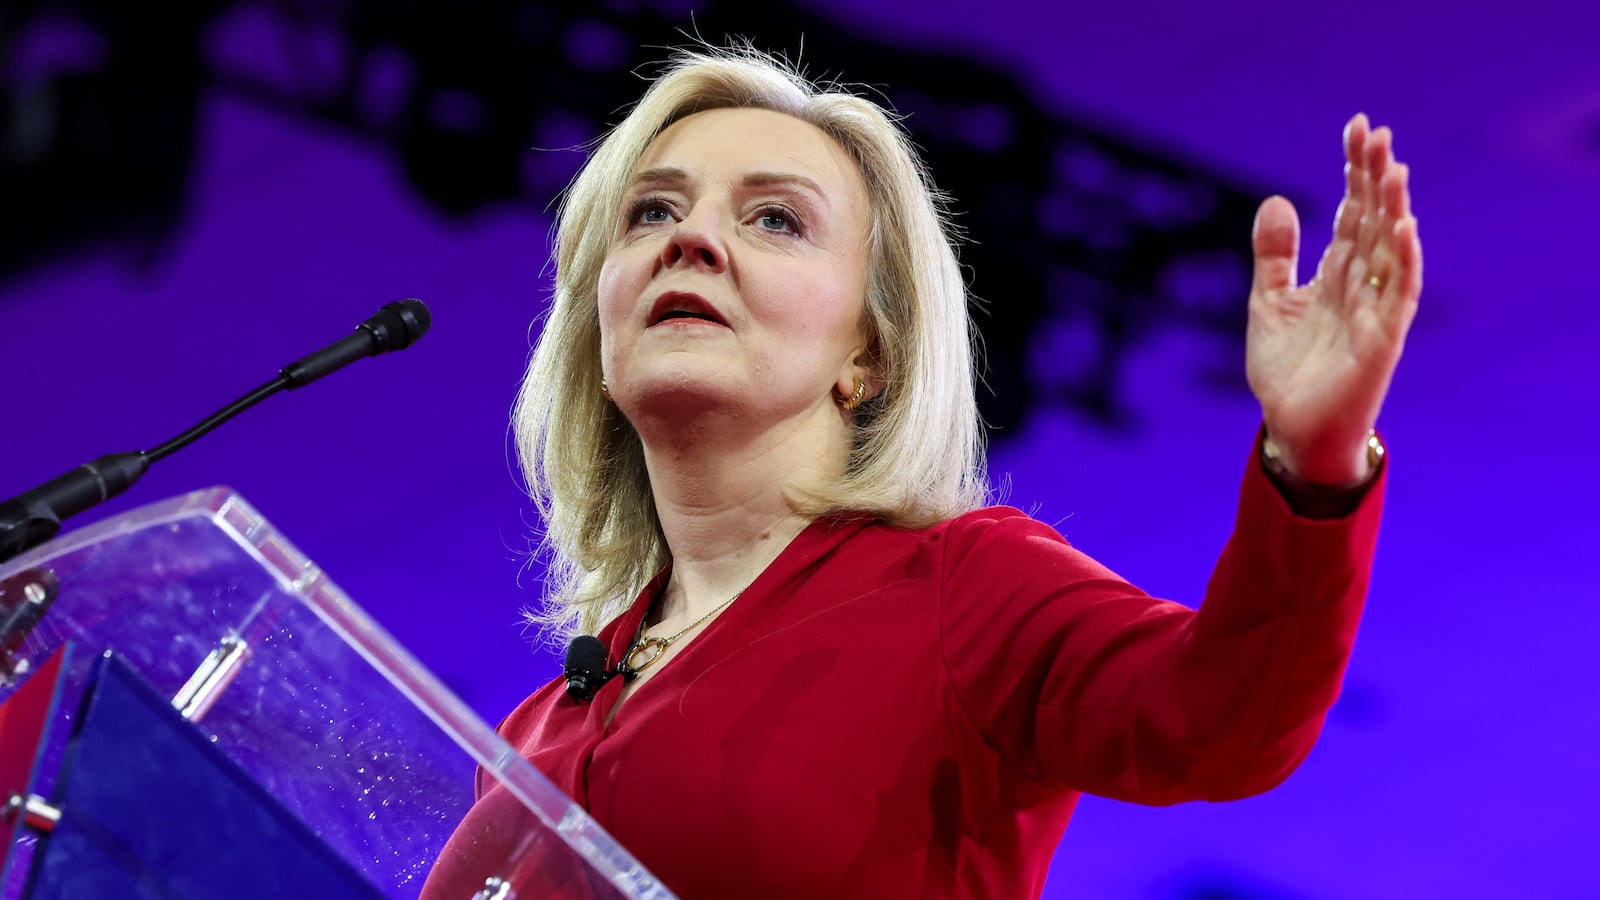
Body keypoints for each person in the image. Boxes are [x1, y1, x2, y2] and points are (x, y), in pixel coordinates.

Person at [424, 45, 1422, 899]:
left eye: (774, 219)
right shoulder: (537, 726)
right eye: (648, 212)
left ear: (870, 353)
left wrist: (1316, 462)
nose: (688, 238)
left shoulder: (960, 590)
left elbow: (1223, 717)